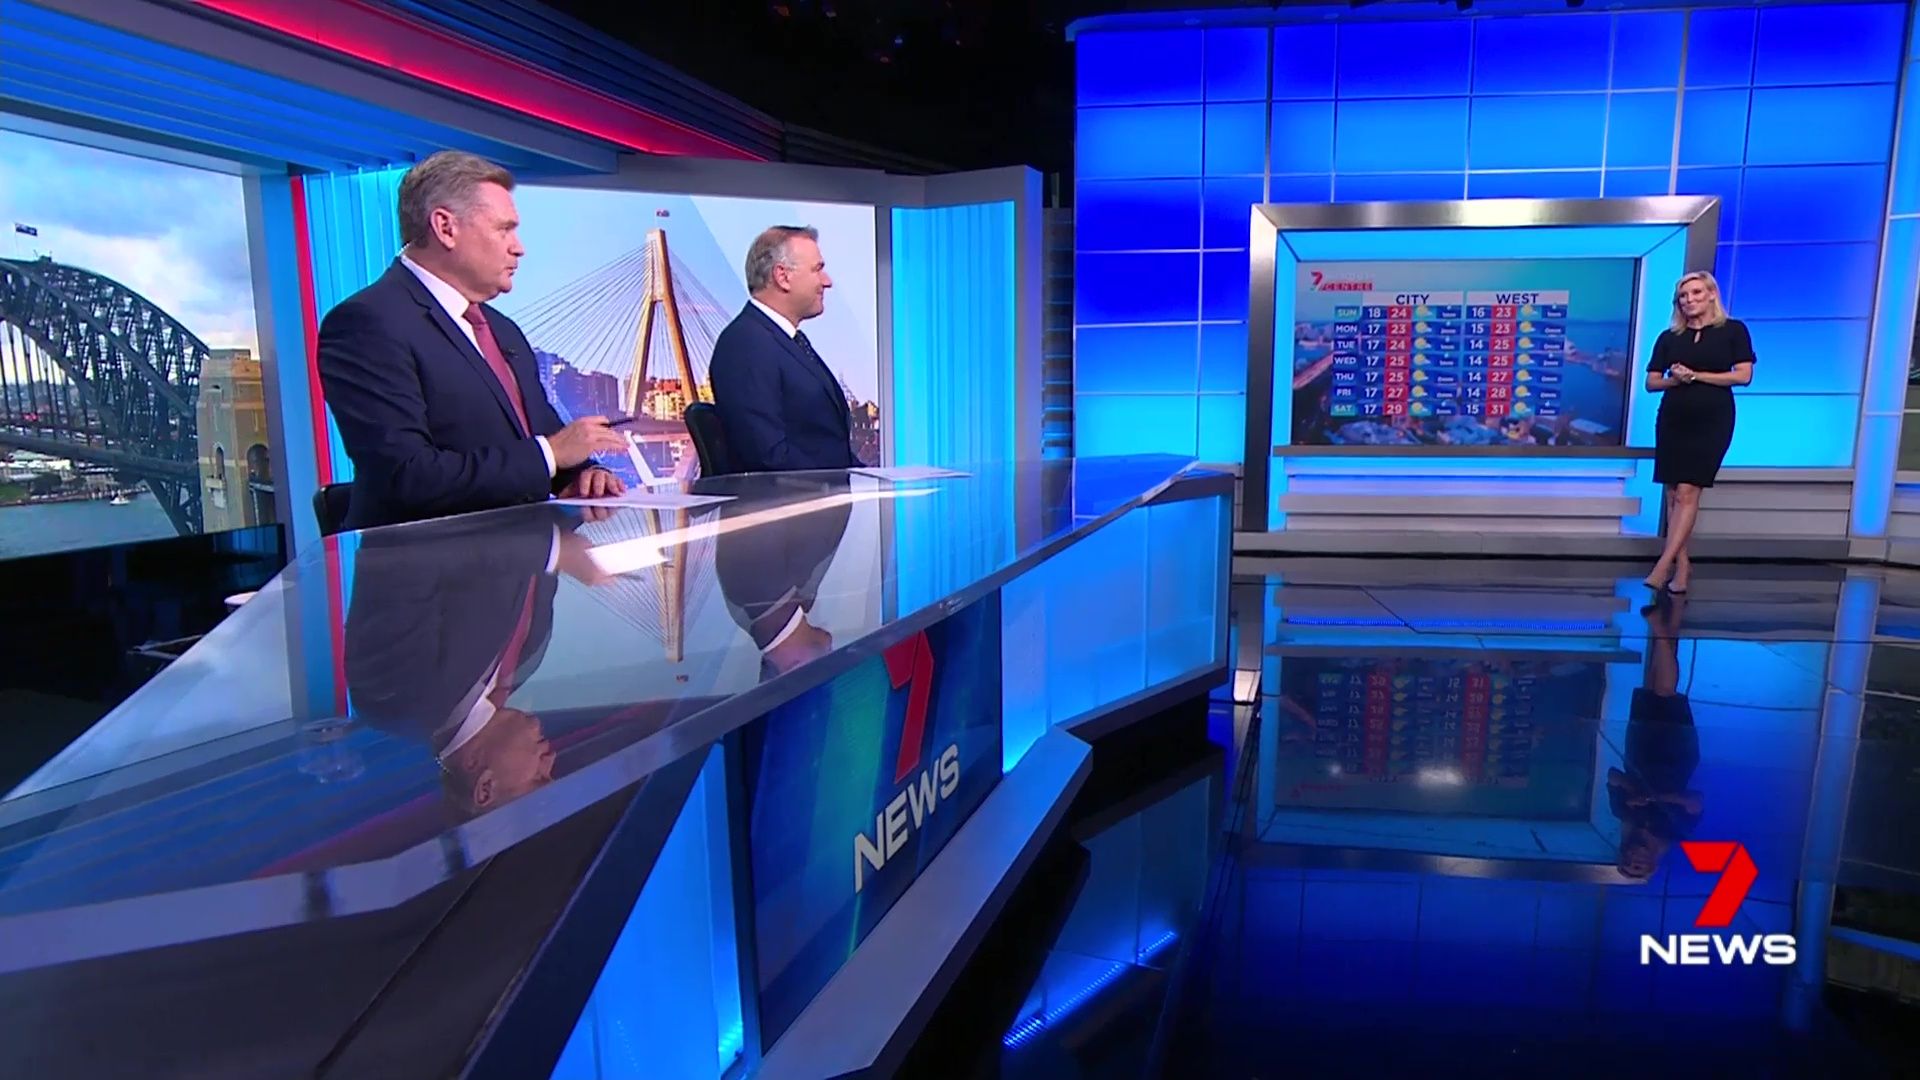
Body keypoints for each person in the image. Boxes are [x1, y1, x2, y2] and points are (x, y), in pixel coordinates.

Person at [318, 150, 629, 529]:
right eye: (503, 229)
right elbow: (406, 475)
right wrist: (551, 454)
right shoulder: (367, 323)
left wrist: (582, 473)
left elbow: (542, 439)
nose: (519, 247)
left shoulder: (502, 329)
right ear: (445, 228)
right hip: (425, 561)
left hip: (520, 553)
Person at [708, 226, 863, 473]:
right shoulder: (746, 344)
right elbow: (768, 457)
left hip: (825, 492)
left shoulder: (786, 340)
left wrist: (874, 478)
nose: (827, 281)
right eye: (817, 269)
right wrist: (835, 482)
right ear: (783, 276)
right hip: (798, 496)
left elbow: (824, 446)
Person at [1642, 271, 1755, 594]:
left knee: (1688, 491)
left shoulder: (1733, 330)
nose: (1688, 300)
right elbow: (1651, 383)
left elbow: (1743, 376)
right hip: (1673, 418)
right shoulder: (1669, 337)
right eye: (1683, 295)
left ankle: (1663, 564)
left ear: (1711, 295)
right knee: (1673, 494)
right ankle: (1682, 565)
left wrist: (1697, 376)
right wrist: (1676, 380)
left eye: (1695, 293)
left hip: (1712, 418)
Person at [1609, 591, 1703, 880]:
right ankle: (1660, 628)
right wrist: (1656, 797)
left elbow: (1612, 776)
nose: (1633, 858)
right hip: (1675, 756)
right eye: (1638, 866)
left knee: (1653, 683)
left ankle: (1674, 609)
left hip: (1639, 750)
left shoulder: (1625, 815)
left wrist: (1633, 791)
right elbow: (1695, 801)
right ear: (1652, 864)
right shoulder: (1675, 830)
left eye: (1627, 862)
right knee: (1666, 692)